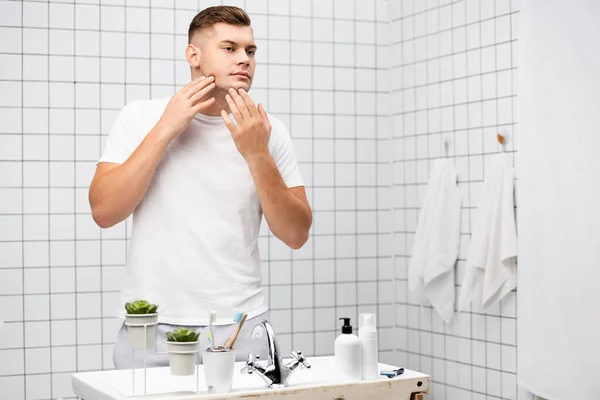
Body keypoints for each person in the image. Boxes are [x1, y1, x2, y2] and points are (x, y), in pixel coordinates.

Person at [88, 5, 312, 369]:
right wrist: (166, 128)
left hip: (241, 325)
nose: (244, 59)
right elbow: (104, 212)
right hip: (151, 325)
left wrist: (257, 154)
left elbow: (296, 234)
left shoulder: (268, 131)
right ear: (193, 55)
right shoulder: (140, 116)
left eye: (250, 50)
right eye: (230, 48)